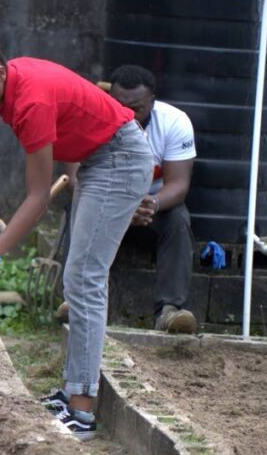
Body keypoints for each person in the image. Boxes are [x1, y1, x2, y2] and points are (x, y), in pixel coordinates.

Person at [0, 14, 152, 440]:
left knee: (84, 278)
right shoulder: (8, 85)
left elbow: (37, 198)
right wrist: (74, 167)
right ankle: (73, 390)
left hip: (119, 159)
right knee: (79, 278)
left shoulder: (30, 101)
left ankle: (81, 410)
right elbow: (79, 103)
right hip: (98, 159)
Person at [60, 66, 197, 333]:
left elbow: (179, 185)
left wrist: (152, 204)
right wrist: (119, 205)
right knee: (73, 207)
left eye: (138, 109)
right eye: (120, 106)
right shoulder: (84, 118)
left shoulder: (175, 122)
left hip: (149, 208)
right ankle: (74, 301)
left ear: (152, 101)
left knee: (178, 217)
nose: (129, 115)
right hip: (101, 204)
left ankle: (170, 311)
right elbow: (74, 180)